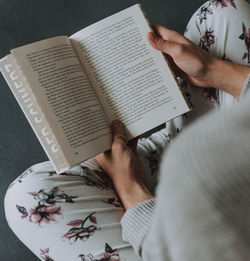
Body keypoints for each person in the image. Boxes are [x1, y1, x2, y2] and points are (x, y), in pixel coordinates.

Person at [4, 0, 250, 260]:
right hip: (211, 156)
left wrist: (130, 186)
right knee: (222, 12)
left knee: (30, 199)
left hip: (191, 236)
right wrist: (213, 71)